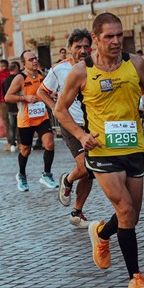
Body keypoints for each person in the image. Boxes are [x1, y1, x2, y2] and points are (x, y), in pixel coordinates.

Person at [54, 12, 144, 288]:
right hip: (101, 150)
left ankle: (101, 233)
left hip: (134, 147)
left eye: (119, 35)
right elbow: (60, 110)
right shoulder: (81, 71)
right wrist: (80, 135)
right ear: (95, 39)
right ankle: (135, 280)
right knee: (125, 209)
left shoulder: (135, 63)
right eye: (109, 36)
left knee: (131, 216)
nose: (115, 41)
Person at [37, 29, 93, 228]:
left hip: (92, 124)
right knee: (86, 166)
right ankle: (68, 180)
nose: (83, 50)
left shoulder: (96, 66)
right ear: (70, 49)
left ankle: (77, 213)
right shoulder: (59, 69)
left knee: (91, 171)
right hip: (70, 124)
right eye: (78, 47)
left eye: (86, 46)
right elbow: (41, 91)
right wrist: (55, 108)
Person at [5, 50, 58, 191]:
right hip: (26, 120)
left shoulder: (41, 75)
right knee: (26, 150)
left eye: (35, 58)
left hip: (42, 117)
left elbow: (45, 92)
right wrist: (25, 98)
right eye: (31, 59)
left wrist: (52, 95)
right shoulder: (20, 78)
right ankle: (21, 175)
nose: (35, 61)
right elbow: (7, 97)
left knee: (50, 144)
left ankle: (47, 174)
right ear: (24, 64)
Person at [2, 62, 20, 153]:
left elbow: (4, 94)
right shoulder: (19, 79)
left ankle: (12, 144)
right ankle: (21, 143)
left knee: (11, 127)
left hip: (10, 106)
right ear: (16, 68)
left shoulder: (5, 81)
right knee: (21, 126)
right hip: (19, 105)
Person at [0, 59, 11, 151]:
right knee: (16, 121)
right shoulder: (11, 73)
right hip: (13, 101)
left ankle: (10, 143)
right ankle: (20, 142)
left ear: (3, 66)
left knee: (6, 122)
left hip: (2, 101)